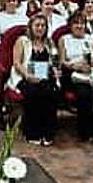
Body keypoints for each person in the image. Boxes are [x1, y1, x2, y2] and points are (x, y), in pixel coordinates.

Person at [58, 13, 93, 141]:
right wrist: (76, 66)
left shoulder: (91, 38)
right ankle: (85, 131)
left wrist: (89, 64)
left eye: (82, 23)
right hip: (73, 72)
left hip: (92, 70)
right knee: (84, 95)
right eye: (76, 23)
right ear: (70, 26)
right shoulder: (64, 39)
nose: (79, 26)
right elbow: (62, 61)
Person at [8, 14, 59, 146]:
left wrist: (54, 71)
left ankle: (47, 133)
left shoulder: (49, 42)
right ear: (30, 27)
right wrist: (28, 76)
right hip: (25, 76)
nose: (40, 28)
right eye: (37, 25)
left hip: (44, 76)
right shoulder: (22, 41)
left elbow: (54, 62)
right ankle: (32, 133)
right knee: (33, 94)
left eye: (43, 26)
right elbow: (17, 63)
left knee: (50, 94)